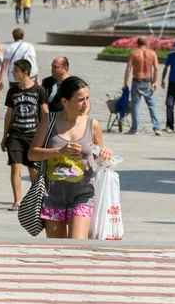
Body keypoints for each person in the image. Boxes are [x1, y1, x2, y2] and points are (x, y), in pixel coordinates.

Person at [28, 77, 113, 239]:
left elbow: (100, 158)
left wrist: (105, 155)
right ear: (65, 101)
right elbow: (32, 154)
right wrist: (60, 151)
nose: (86, 103)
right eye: (80, 100)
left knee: (76, 246)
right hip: (52, 195)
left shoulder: (92, 124)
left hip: (83, 194)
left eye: (87, 98)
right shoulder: (49, 120)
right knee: (58, 249)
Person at [0, 59, 48, 211]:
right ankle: (17, 201)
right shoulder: (12, 91)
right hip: (15, 135)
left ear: (25, 72)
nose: (13, 73)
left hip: (33, 135)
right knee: (15, 167)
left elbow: (44, 112)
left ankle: (36, 199)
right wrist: (4, 136)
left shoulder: (39, 90)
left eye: (15, 71)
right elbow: (9, 114)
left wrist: (46, 134)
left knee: (33, 169)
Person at [123, 36, 162, 136]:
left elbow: (128, 69)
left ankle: (135, 129)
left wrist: (125, 83)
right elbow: (156, 68)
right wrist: (154, 82)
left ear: (137, 43)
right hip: (148, 81)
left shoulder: (133, 53)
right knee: (152, 105)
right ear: (147, 43)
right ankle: (157, 128)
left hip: (137, 80)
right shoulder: (152, 53)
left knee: (135, 106)